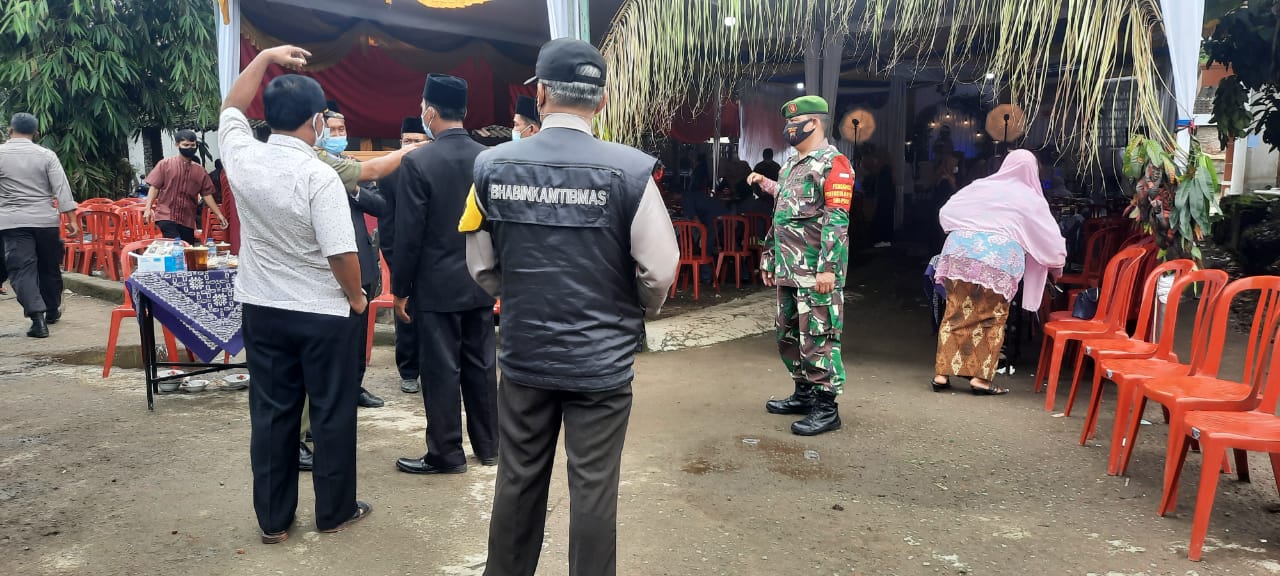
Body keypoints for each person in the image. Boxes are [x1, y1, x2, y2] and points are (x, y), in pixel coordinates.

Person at [462, 37, 679, 576]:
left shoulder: (491, 167)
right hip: (601, 364)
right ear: (601, 101)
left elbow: (482, 267)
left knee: (517, 479)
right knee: (594, 489)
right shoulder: (631, 172)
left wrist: (518, 296)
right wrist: (632, 311)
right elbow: (660, 270)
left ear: (539, 95)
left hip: (525, 356)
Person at [219, 44, 371, 544]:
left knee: (271, 412)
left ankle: (273, 520)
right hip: (323, 312)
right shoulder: (318, 175)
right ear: (317, 121)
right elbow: (341, 253)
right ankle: (334, 511)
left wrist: (263, 57)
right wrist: (356, 298)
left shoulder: (242, 155)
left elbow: (231, 107)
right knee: (331, 411)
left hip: (262, 308)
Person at [390, 74, 498, 476]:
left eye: (423, 108)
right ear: (463, 111)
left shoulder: (418, 162)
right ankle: (490, 447)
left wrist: (401, 288)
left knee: (440, 371)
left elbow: (409, 234)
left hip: (435, 287)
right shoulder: (488, 159)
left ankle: (447, 453)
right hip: (480, 280)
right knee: (482, 366)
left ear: (431, 112)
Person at [746, 95, 854, 437]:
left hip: (816, 271)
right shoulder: (791, 165)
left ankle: (826, 407)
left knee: (818, 337)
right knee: (788, 333)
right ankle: (804, 393)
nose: (788, 129)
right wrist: (770, 255)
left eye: (795, 123)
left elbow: (837, 219)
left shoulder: (834, 164)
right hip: (789, 269)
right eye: (788, 124)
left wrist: (828, 268)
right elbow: (785, 209)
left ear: (815, 122)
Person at [930, 149, 1066, 395]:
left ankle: (941, 375)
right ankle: (980, 380)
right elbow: (1050, 239)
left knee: (955, 312)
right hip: (999, 258)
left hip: (959, 251)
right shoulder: (1031, 198)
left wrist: (968, 229)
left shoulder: (981, 186)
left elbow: (946, 212)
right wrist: (1057, 267)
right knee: (991, 318)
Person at [0, 112, 80, 338]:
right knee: (49, 266)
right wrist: (72, 219)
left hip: (12, 222)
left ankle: (38, 320)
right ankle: (52, 309)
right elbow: (61, 188)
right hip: (45, 221)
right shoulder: (46, 155)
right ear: (35, 132)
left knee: (22, 269)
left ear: (10, 130)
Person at [377, 117, 430, 395]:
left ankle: (433, 369)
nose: (410, 146)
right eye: (406, 141)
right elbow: (386, 224)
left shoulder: (435, 168)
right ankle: (408, 370)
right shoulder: (389, 173)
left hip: (433, 257)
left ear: (428, 142)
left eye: (416, 141)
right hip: (402, 255)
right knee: (406, 314)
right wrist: (394, 259)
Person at [143, 130, 227, 244]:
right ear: (177, 145)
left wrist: (218, 214)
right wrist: (148, 208)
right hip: (166, 215)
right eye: (186, 145)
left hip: (187, 219)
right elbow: (154, 187)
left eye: (192, 145)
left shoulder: (200, 171)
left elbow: (207, 194)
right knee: (176, 246)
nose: (189, 148)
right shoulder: (165, 164)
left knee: (187, 250)